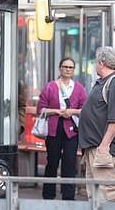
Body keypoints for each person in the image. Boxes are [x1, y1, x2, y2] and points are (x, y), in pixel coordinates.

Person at [78, 47, 115, 202]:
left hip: (106, 151)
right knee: (95, 197)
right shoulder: (104, 82)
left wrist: (103, 146)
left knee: (109, 197)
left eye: (96, 61)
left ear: (101, 63)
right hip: (96, 149)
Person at [37, 57, 87, 200]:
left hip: (71, 130)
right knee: (52, 162)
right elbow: (40, 109)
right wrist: (56, 111)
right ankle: (48, 195)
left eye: (71, 67)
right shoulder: (50, 87)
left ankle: (68, 196)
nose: (68, 69)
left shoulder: (79, 88)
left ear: (74, 70)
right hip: (54, 128)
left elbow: (84, 109)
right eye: (65, 67)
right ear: (60, 68)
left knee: (69, 163)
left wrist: (72, 112)